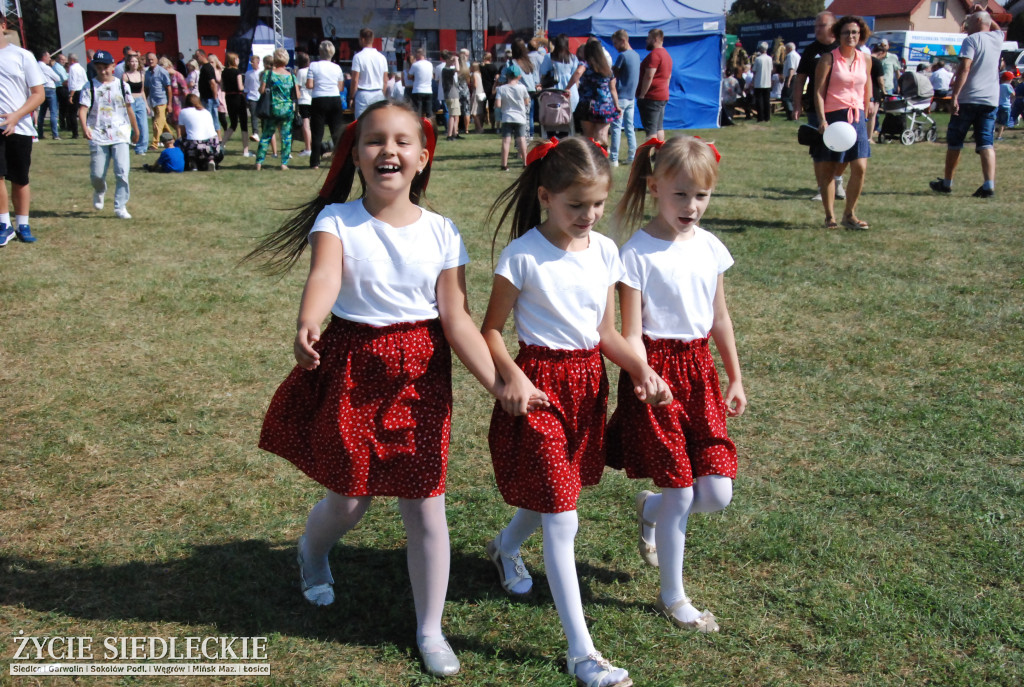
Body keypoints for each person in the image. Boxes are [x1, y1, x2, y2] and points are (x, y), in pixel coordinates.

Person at [246, 98, 503, 679]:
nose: (389, 150)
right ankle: (313, 552)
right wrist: (307, 321)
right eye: (374, 141)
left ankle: (430, 629)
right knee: (350, 499)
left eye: (402, 141)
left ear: (422, 156)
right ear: (357, 156)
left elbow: (457, 317)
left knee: (426, 508)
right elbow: (325, 276)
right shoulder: (336, 221)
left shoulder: (443, 231)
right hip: (355, 368)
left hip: (421, 376)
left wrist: (496, 381)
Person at [482, 136, 669, 687]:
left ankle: (505, 546)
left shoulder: (607, 252)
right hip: (538, 388)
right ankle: (582, 653)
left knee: (557, 491)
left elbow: (605, 332)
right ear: (545, 197)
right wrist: (510, 378)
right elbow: (491, 328)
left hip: (587, 387)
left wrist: (640, 369)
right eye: (575, 205)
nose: (588, 216)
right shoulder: (522, 255)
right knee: (563, 514)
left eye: (596, 205)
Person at [606, 135, 743, 634]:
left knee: (717, 492)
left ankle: (651, 507)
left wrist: (734, 374)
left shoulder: (710, 247)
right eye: (680, 194)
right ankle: (674, 596)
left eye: (701, 196)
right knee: (681, 490)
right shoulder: (635, 253)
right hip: (655, 374)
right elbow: (630, 330)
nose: (691, 206)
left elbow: (720, 317)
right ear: (654, 186)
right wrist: (644, 375)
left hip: (699, 372)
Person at [929, 10, 1003, 198]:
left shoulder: (972, 40)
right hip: (990, 99)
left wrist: (955, 95)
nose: (966, 25)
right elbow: (995, 26)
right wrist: (984, 13)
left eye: (969, 21)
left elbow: (965, 68)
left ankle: (947, 183)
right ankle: (989, 185)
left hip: (969, 98)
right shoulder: (997, 38)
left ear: (977, 21)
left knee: (955, 141)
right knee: (986, 142)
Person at [813, 15, 873, 230]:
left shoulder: (865, 59)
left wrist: (868, 111)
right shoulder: (828, 58)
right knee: (829, 169)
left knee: (860, 167)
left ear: (861, 35)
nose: (851, 36)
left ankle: (850, 214)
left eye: (855, 32)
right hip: (834, 118)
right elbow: (818, 91)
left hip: (856, 117)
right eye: (846, 32)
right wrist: (822, 119)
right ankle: (830, 217)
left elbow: (867, 88)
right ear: (838, 35)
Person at [78, 49, 140, 220]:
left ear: (113, 66)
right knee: (97, 173)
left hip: (120, 133)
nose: (103, 70)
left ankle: (120, 206)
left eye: (106, 67)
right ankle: (100, 189)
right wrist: (84, 128)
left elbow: (129, 108)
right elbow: (82, 110)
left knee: (122, 171)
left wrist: (136, 130)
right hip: (98, 133)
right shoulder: (89, 86)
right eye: (99, 67)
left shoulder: (122, 85)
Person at [0, 13, 45, 246]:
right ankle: (4, 224)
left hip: (20, 127)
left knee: (20, 178)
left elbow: (39, 94)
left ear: (4, 25)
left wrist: (16, 116)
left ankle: (23, 223)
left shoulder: (22, 56)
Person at [793, 11, 847, 203]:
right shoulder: (810, 50)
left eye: (821, 26)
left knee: (844, 146)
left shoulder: (843, 48)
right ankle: (822, 187)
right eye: (815, 26)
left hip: (841, 105)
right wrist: (797, 103)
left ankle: (837, 180)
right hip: (816, 106)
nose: (817, 30)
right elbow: (800, 79)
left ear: (832, 27)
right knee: (819, 148)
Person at [567, 38, 619, 148]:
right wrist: (617, 105)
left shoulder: (585, 64)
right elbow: (613, 88)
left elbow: (578, 72)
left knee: (588, 136)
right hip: (605, 105)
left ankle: (590, 158)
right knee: (602, 134)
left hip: (588, 104)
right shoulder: (607, 68)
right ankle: (602, 156)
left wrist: (568, 87)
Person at [256, 48, 298, 171]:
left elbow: (262, 90)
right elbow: (297, 95)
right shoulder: (291, 76)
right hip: (287, 110)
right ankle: (284, 163)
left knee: (266, 135)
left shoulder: (269, 74)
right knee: (286, 137)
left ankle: (259, 162)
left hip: (272, 108)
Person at [306, 40, 344, 170]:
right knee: (336, 132)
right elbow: (340, 87)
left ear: (320, 52)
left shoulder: (314, 66)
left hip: (319, 98)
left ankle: (315, 162)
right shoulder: (337, 67)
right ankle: (340, 160)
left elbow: (309, 85)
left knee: (317, 132)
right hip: (334, 98)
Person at [609, 30, 639, 166]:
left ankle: (614, 158)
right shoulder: (636, 55)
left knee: (616, 128)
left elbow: (613, 74)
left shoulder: (623, 56)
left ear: (623, 41)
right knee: (629, 127)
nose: (615, 46)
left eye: (616, 43)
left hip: (620, 97)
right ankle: (632, 155)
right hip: (631, 97)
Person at [637, 29, 672, 141]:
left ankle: (648, 155)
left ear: (655, 39)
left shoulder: (654, 55)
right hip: (662, 95)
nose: (646, 41)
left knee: (651, 130)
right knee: (659, 128)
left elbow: (649, 75)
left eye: (648, 38)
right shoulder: (667, 55)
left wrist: (642, 94)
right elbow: (668, 77)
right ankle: (659, 153)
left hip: (652, 96)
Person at [496, 63, 530, 171]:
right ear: (519, 76)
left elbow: (498, 104)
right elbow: (526, 101)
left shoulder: (501, 89)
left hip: (507, 117)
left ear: (506, 76)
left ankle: (504, 164)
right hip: (520, 117)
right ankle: (525, 163)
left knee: (506, 141)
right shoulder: (522, 87)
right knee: (522, 140)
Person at [176, 94, 223, 171]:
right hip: (213, 144)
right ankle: (211, 160)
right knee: (206, 147)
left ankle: (193, 162)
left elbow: (183, 132)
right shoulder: (206, 111)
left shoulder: (183, 112)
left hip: (195, 145)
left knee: (181, 141)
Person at [349, 27, 388, 119]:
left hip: (363, 93)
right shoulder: (382, 57)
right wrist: (383, 94)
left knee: (360, 123)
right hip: (378, 92)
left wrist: (351, 97)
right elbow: (385, 80)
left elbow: (355, 80)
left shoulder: (358, 57)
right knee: (378, 122)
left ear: (362, 39)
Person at [221, 52, 249, 156]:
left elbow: (222, 86)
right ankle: (245, 150)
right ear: (233, 60)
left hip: (228, 97)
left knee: (233, 123)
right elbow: (240, 87)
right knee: (244, 123)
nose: (238, 60)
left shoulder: (224, 72)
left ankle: (222, 144)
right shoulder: (237, 72)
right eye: (237, 59)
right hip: (238, 97)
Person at [121, 53, 149, 155]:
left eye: (136, 61)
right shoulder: (125, 76)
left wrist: (146, 105)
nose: (134, 63)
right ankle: (128, 143)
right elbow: (123, 91)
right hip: (130, 101)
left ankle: (141, 148)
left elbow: (142, 91)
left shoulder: (141, 75)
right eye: (132, 61)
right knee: (130, 125)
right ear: (128, 63)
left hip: (140, 101)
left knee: (143, 125)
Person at [36, 51, 62, 139]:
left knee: (42, 113)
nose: (50, 59)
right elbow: (57, 78)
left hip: (41, 88)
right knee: (53, 112)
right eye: (48, 57)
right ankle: (55, 134)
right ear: (44, 57)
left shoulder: (35, 66)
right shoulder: (46, 68)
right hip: (50, 88)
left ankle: (40, 133)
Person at [294, 52, 313, 157]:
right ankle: (310, 145)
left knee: (305, 124)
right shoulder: (312, 70)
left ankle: (308, 148)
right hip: (312, 99)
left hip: (304, 99)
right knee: (310, 124)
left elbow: (298, 87)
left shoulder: (300, 72)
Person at [195, 49, 219, 130]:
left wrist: (215, 97)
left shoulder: (207, 68)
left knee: (211, 119)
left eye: (197, 56)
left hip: (209, 98)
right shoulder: (203, 68)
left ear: (202, 56)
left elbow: (213, 83)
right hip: (204, 97)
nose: (196, 58)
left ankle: (217, 138)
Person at [408, 47, 434, 121]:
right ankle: (431, 126)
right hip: (428, 90)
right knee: (429, 112)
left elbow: (409, 76)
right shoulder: (430, 64)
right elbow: (432, 76)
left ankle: (419, 127)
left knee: (418, 112)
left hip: (418, 89)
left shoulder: (415, 65)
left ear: (419, 54)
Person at [65, 53, 87, 139]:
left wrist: (71, 95)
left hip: (76, 91)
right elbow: (85, 80)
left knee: (72, 113)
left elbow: (73, 83)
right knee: (83, 111)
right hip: (82, 90)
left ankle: (75, 133)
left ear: (71, 60)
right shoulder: (81, 68)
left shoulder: (72, 69)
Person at [441, 53, 462, 141]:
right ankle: (449, 135)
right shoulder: (446, 70)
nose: (453, 62)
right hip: (451, 95)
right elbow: (457, 69)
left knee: (456, 115)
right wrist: (456, 59)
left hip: (454, 94)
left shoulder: (447, 70)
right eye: (452, 60)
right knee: (452, 115)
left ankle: (455, 133)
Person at [751, 42, 773, 122]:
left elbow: (754, 71)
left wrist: (753, 81)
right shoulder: (770, 59)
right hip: (767, 82)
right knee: (766, 100)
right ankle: (767, 117)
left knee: (759, 101)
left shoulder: (758, 59)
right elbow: (771, 69)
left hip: (759, 82)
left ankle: (760, 117)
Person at [244, 54, 263, 144]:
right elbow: (246, 86)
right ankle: (255, 133)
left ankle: (264, 133)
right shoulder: (248, 73)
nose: (252, 64)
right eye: (251, 62)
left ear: (258, 62)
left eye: (254, 62)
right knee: (254, 116)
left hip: (261, 97)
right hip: (252, 97)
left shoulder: (262, 72)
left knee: (263, 116)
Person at [480, 51, 500, 131]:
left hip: (482, 89)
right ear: (490, 58)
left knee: (482, 108)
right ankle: (492, 125)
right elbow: (496, 78)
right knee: (491, 108)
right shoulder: (493, 67)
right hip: (491, 88)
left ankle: (481, 125)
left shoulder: (481, 66)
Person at [781, 42, 800, 120]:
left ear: (789, 48)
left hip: (791, 77)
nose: (785, 50)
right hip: (796, 77)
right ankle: (793, 114)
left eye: (786, 49)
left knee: (786, 97)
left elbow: (791, 68)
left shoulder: (790, 55)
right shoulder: (797, 55)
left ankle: (790, 114)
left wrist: (788, 80)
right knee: (791, 97)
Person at [995, 71, 1014, 140]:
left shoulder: (999, 85)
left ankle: (993, 132)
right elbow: (1013, 94)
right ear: (1009, 79)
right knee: (1003, 123)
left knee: (997, 120)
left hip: (998, 105)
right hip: (1006, 106)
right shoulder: (1008, 86)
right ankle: (999, 136)